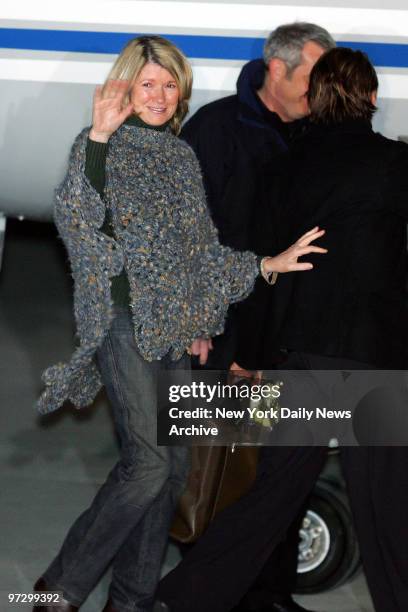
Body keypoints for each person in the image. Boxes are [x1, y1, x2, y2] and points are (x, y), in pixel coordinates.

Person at [34, 36, 325, 612]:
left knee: (170, 476)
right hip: (121, 322)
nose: (162, 95)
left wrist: (267, 264)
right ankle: (55, 590)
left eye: (171, 84)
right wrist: (96, 138)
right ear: (125, 87)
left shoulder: (178, 156)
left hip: (172, 324)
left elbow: (198, 253)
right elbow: (75, 218)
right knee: (147, 465)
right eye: (149, 83)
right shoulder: (100, 147)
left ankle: (133, 600)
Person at [157, 48, 408, 612]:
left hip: (302, 357)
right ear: (370, 99)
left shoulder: (281, 167)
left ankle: (185, 596)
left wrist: (251, 353)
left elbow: (266, 267)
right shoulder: (395, 165)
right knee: (388, 507)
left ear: (316, 98)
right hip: (376, 358)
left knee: (271, 494)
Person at [163, 23, 335, 612]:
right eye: (314, 75)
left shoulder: (317, 134)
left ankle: (270, 593)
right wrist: (209, 326)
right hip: (226, 335)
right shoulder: (215, 131)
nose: (322, 88)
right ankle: (209, 593)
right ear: (277, 69)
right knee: (216, 469)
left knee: (277, 468)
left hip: (285, 341)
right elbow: (186, 239)